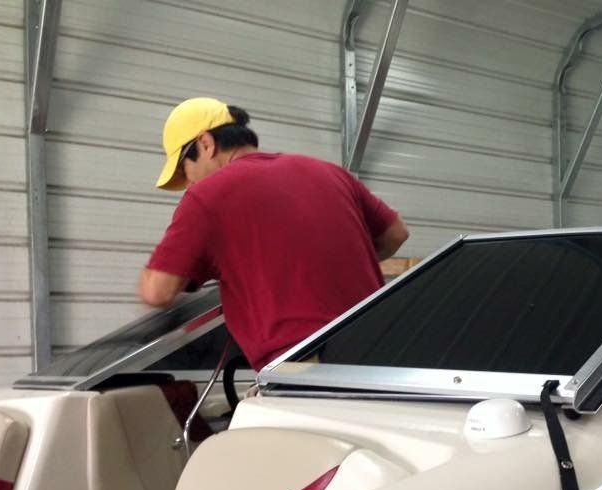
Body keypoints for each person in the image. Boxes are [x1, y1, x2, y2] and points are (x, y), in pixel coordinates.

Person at [140, 97, 409, 371]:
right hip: (386, 352)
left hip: (308, 368)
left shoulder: (206, 196)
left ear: (206, 143)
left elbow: (157, 292)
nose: (190, 182)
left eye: (184, 169)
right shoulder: (329, 172)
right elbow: (396, 233)